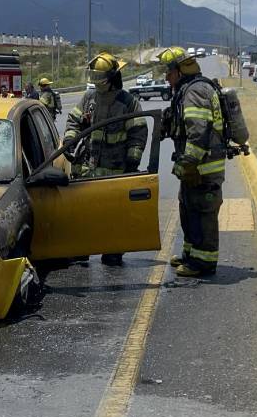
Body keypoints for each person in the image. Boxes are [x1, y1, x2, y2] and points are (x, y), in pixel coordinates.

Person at [64, 52, 148, 266]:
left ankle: (113, 250)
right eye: (93, 76)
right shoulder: (89, 99)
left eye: (99, 77)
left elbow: (138, 134)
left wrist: (132, 162)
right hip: (87, 169)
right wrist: (69, 143)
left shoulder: (128, 103)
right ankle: (83, 249)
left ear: (112, 77)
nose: (95, 81)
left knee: (114, 215)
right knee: (83, 212)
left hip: (115, 170)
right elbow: (73, 122)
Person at [159, 46, 225, 278]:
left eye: (169, 71)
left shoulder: (195, 92)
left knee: (202, 212)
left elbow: (198, 131)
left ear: (180, 70)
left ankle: (204, 262)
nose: (166, 76)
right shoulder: (189, 89)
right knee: (188, 209)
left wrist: (189, 163)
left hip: (203, 167)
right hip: (195, 167)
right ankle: (190, 254)